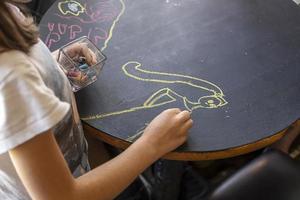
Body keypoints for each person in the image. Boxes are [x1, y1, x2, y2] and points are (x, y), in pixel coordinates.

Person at [0, 0, 194, 199]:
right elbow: (64, 196)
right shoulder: (11, 78)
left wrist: (52, 67)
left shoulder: (7, 13)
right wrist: (152, 145)